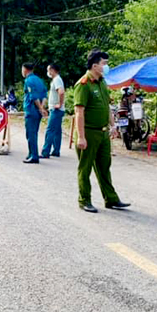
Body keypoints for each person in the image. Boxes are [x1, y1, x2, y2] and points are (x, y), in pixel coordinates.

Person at [74, 50, 130, 212]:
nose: (107, 66)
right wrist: (81, 137)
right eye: (104, 64)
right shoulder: (83, 84)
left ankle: (111, 199)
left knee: (104, 166)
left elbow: (107, 107)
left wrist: (113, 126)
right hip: (88, 132)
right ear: (94, 65)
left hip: (103, 132)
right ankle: (84, 200)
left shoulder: (102, 82)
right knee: (85, 168)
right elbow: (79, 112)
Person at [21, 62, 48, 164]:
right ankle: (31, 153)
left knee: (30, 134)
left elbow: (33, 97)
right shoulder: (39, 80)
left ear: (25, 69)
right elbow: (44, 95)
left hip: (31, 111)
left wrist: (40, 108)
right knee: (34, 133)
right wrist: (42, 107)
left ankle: (34, 156)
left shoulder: (29, 80)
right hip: (37, 112)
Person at [41, 63, 65, 158]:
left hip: (56, 110)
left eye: (48, 70)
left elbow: (61, 92)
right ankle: (56, 150)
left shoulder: (57, 79)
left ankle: (45, 151)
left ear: (52, 70)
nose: (48, 72)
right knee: (57, 130)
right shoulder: (56, 80)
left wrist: (59, 103)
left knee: (50, 130)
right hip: (56, 109)